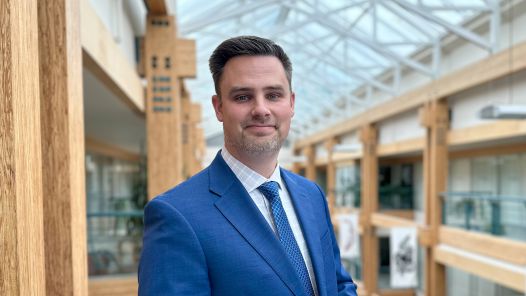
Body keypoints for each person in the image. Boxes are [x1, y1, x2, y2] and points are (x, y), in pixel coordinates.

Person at [138, 35, 357, 296]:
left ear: (291, 103)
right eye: (243, 97)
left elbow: (339, 284)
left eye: (273, 95)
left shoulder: (311, 195)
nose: (261, 109)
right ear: (219, 107)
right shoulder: (177, 215)